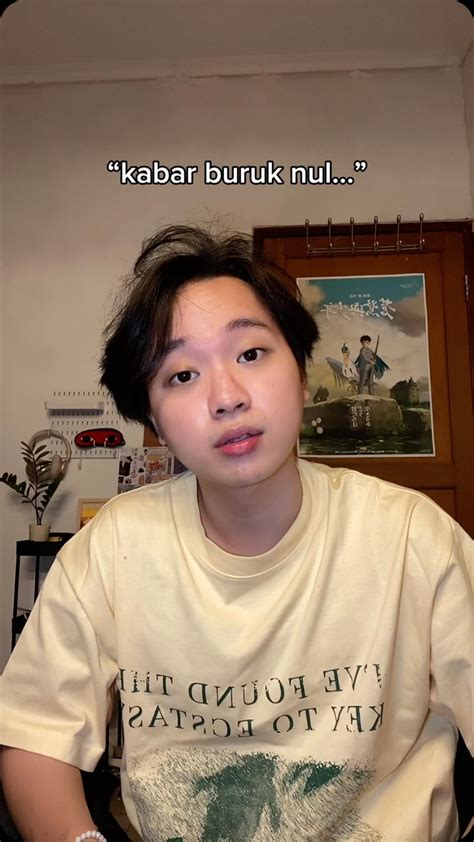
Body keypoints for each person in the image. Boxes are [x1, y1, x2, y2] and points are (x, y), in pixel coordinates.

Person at [0, 225, 472, 842]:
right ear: (155, 421)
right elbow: (36, 737)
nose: (226, 397)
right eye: (181, 375)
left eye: (250, 354)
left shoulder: (412, 537)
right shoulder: (113, 547)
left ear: (301, 375)